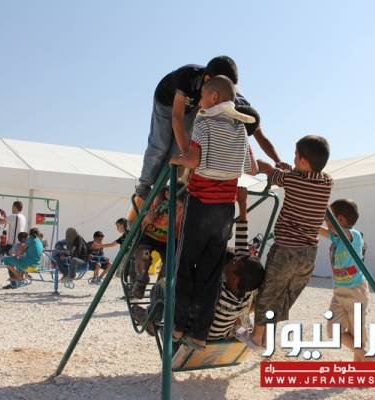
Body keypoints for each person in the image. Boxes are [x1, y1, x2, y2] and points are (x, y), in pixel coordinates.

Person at [168, 75, 258, 350]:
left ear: (214, 97)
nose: (200, 102)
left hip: (200, 206)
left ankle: (178, 326)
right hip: (224, 211)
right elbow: (251, 167)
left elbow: (194, 160)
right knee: (210, 272)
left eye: (203, 97)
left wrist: (176, 159)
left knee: (184, 266)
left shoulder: (204, 122)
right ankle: (199, 333)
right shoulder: (240, 128)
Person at [135, 56, 280, 200]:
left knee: (177, 148)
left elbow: (259, 135)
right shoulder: (188, 77)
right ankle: (144, 185)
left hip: (191, 109)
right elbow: (176, 118)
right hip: (166, 102)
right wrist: (187, 154)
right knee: (160, 144)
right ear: (207, 80)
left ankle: (160, 187)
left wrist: (277, 161)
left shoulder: (229, 93)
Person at [237, 135, 333, 350]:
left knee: (269, 291)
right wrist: (292, 169)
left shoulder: (291, 180)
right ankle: (268, 338)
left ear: (303, 161)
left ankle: (256, 338)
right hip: (308, 254)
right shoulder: (327, 182)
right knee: (284, 296)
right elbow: (300, 175)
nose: (293, 158)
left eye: (296, 155)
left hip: (286, 250)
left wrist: (260, 165)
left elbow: (267, 170)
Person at [134, 187, 265, 342]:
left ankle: (150, 319)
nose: (233, 261)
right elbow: (242, 243)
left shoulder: (216, 291)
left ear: (235, 278)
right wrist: (242, 204)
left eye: (234, 263)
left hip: (194, 331)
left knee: (164, 286)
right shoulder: (246, 294)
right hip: (218, 334)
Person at [320, 199, 375, 362]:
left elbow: (340, 232)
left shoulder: (354, 235)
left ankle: (360, 366)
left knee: (357, 335)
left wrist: (328, 218)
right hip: (339, 291)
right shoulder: (336, 237)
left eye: (328, 218)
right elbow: (319, 230)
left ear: (339, 219)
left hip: (355, 291)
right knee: (333, 330)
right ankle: (367, 356)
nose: (326, 221)